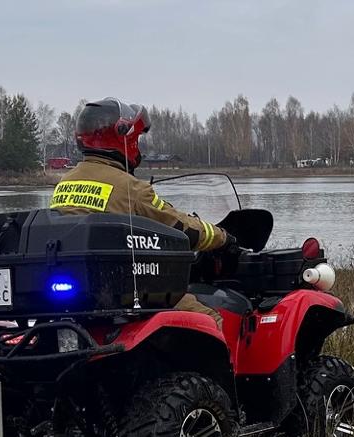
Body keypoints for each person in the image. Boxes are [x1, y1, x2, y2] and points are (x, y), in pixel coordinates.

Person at [50, 97, 231, 321]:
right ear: (124, 138)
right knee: (209, 319)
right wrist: (222, 237)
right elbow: (182, 228)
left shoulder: (66, 182)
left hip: (81, 291)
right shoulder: (130, 188)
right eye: (136, 139)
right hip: (124, 287)